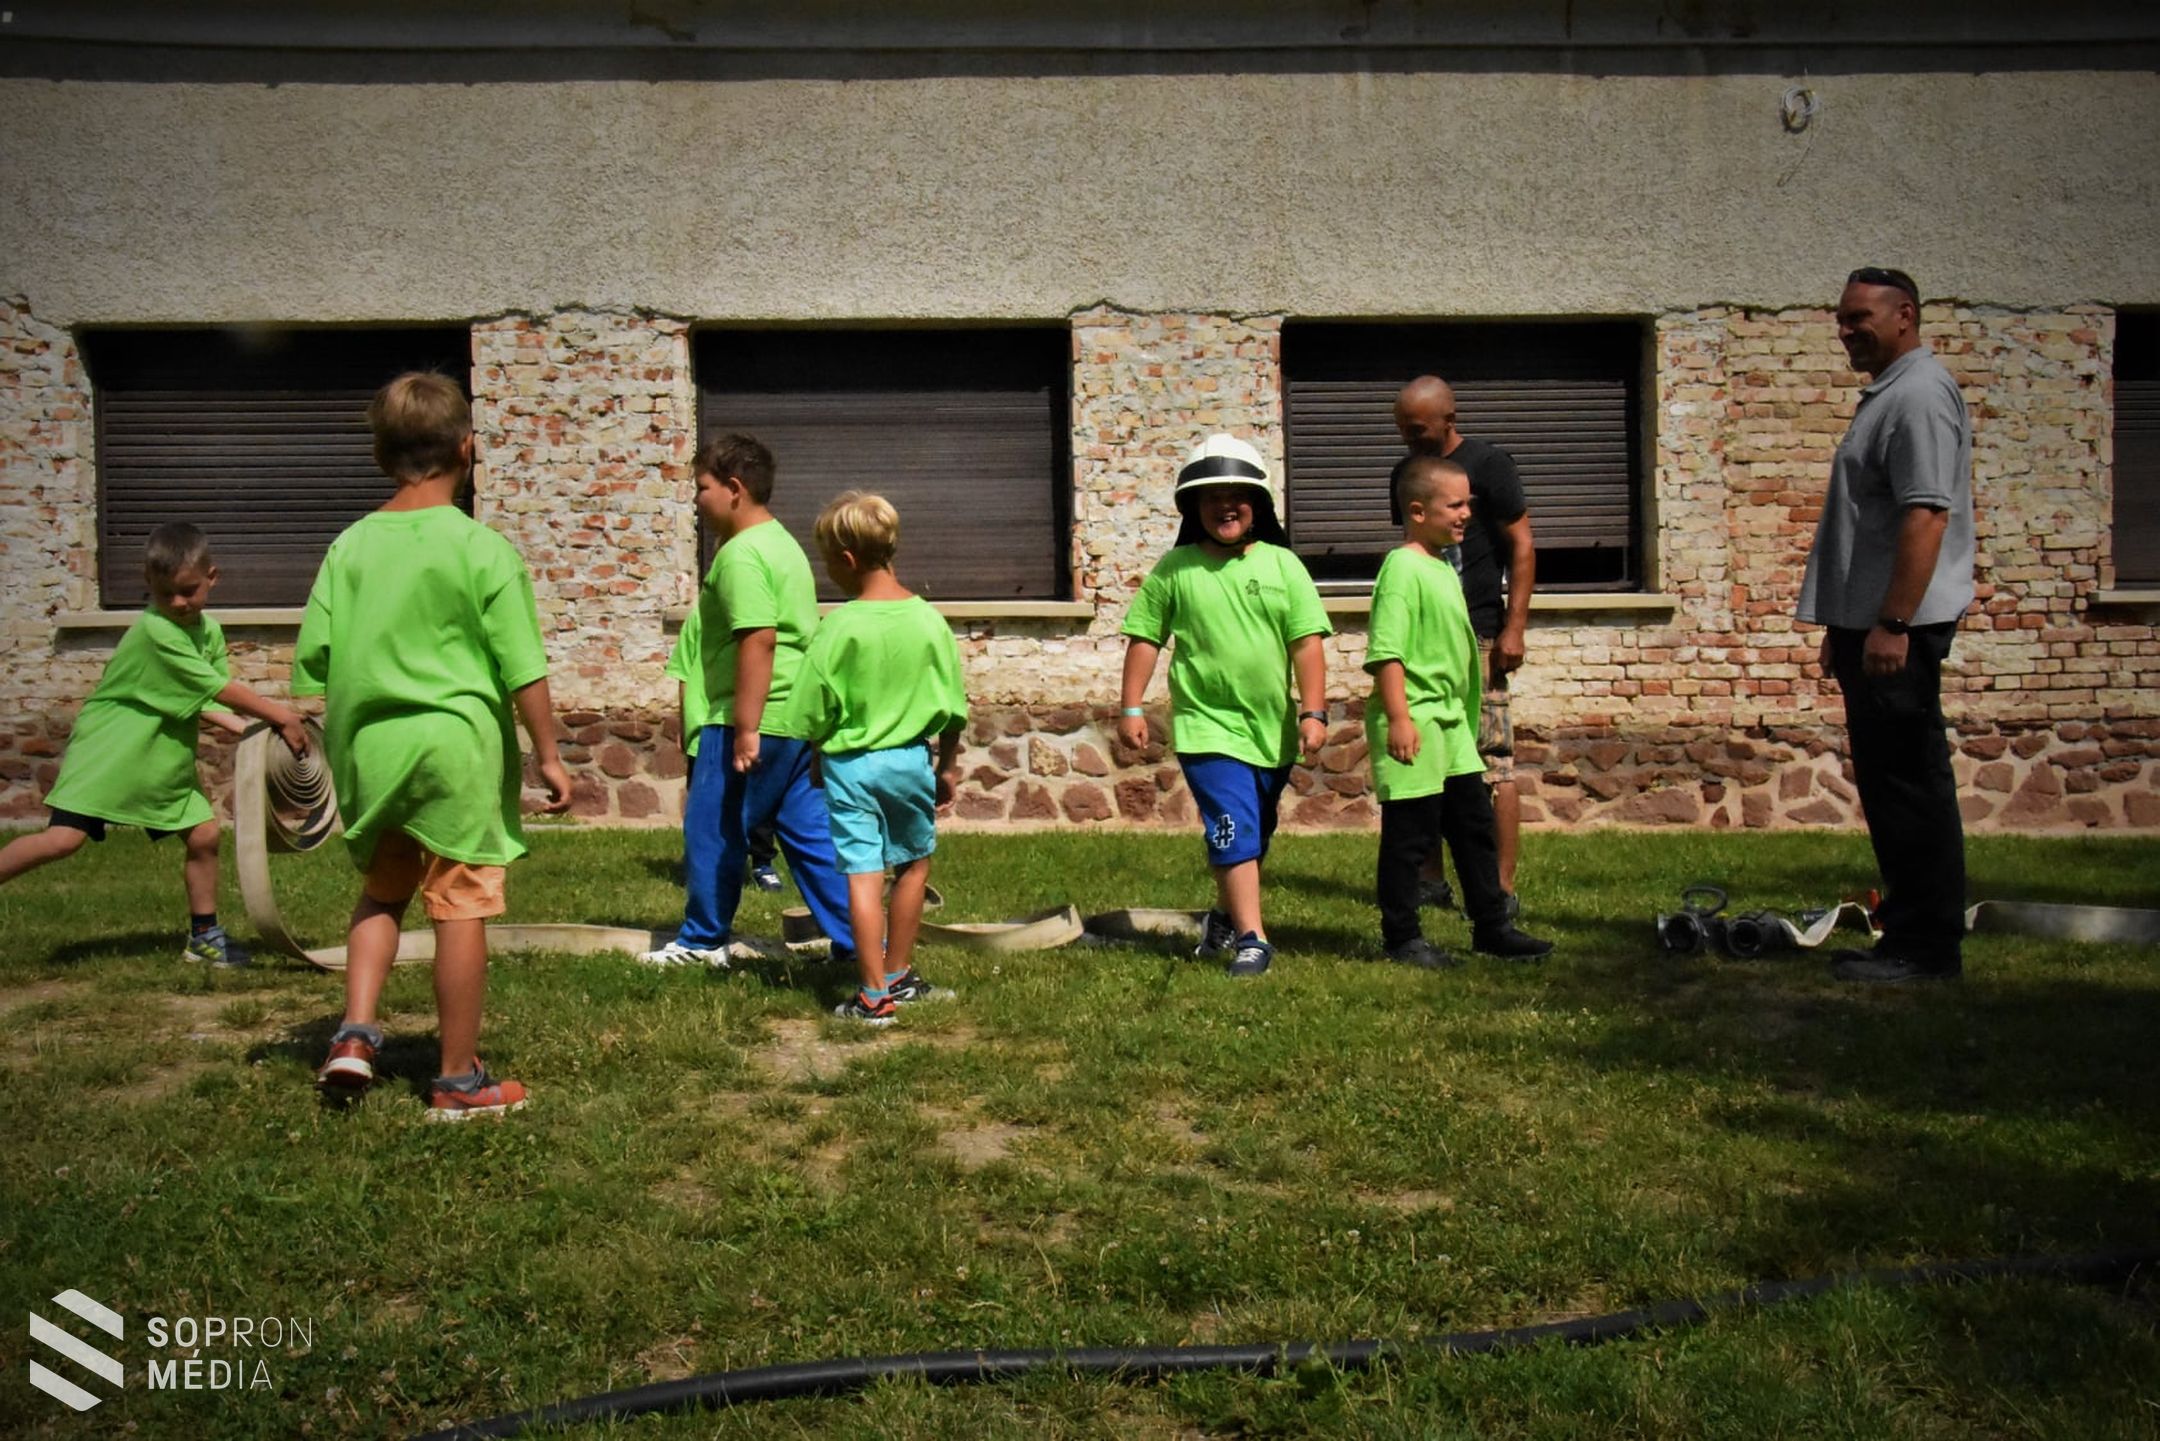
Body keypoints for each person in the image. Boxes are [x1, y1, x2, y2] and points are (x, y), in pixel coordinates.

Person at [298, 372, 572, 1118]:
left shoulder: (348, 547)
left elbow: (317, 656)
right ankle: (456, 1078)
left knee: (383, 888)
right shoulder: (482, 549)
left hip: (372, 749)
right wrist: (548, 752)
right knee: (460, 903)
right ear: (467, 448)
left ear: (383, 456)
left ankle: (354, 1034)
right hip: (454, 749)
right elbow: (524, 665)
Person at [0, 523, 308, 966]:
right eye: (167, 595)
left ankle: (204, 939)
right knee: (63, 840)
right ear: (149, 585)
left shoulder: (209, 634)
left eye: (188, 591)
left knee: (202, 833)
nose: (179, 603)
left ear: (212, 577)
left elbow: (205, 698)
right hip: (113, 748)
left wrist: (249, 731)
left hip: (161, 754)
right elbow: (218, 688)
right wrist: (280, 716)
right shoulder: (155, 632)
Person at [1799, 267, 1975, 983]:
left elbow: (1927, 514)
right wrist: (1845, 622)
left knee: (1909, 784)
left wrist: (1892, 623)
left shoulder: (1920, 396)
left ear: (1905, 315)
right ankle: (1906, 933)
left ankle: (1925, 949)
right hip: (1870, 624)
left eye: (1858, 316)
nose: (1845, 330)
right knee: (1890, 782)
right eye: (1840, 317)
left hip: (1898, 628)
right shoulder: (1891, 394)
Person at [1117, 434, 1331, 978]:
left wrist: (1312, 711)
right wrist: (1132, 707)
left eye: (1237, 494)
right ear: (1192, 508)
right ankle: (1253, 939)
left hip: (1272, 731)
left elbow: (1306, 643)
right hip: (1206, 729)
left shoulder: (1284, 567)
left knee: (1253, 832)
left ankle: (1224, 917)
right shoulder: (1175, 570)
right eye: (1211, 496)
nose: (1225, 505)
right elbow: (1145, 638)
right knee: (1232, 824)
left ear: (1257, 504)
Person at [642, 434, 856, 968]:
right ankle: (859, 943)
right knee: (813, 839)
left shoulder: (740, 555)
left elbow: (758, 637)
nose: (697, 500)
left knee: (713, 828)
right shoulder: (783, 543)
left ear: (734, 489)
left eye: (703, 488)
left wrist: (744, 726)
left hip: (747, 720)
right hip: (796, 719)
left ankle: (701, 941)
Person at [785, 492, 967, 1024]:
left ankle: (871, 996)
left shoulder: (837, 628)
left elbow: (812, 709)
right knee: (912, 867)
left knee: (863, 874)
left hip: (851, 766)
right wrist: (948, 765)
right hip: (911, 761)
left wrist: (819, 754)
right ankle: (898, 975)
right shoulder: (929, 621)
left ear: (845, 560)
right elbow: (952, 706)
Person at [1366, 457, 1554, 968]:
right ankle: (1401, 937)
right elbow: (1387, 651)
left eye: (1469, 501)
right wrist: (1400, 719)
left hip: (1450, 726)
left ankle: (1492, 927)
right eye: (1456, 503)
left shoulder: (1443, 564)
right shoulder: (1402, 568)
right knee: (1410, 836)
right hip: (1417, 722)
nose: (1467, 512)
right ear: (1418, 511)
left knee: (1474, 827)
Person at [1391, 376, 1535, 914]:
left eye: (1418, 428)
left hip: (1479, 634)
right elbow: (1411, 553)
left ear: (1449, 419)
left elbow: (1521, 545)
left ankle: (1499, 887)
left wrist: (1514, 628)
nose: (1409, 438)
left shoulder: (1491, 465)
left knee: (1492, 759)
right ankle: (1430, 880)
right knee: (1426, 759)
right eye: (1402, 429)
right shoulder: (1407, 475)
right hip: (1425, 640)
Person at [665, 602, 782, 892]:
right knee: (706, 804)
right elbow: (683, 671)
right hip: (706, 721)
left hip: (751, 721)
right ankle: (704, 865)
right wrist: (684, 722)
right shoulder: (700, 616)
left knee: (757, 798)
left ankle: (761, 862)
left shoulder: (763, 615)